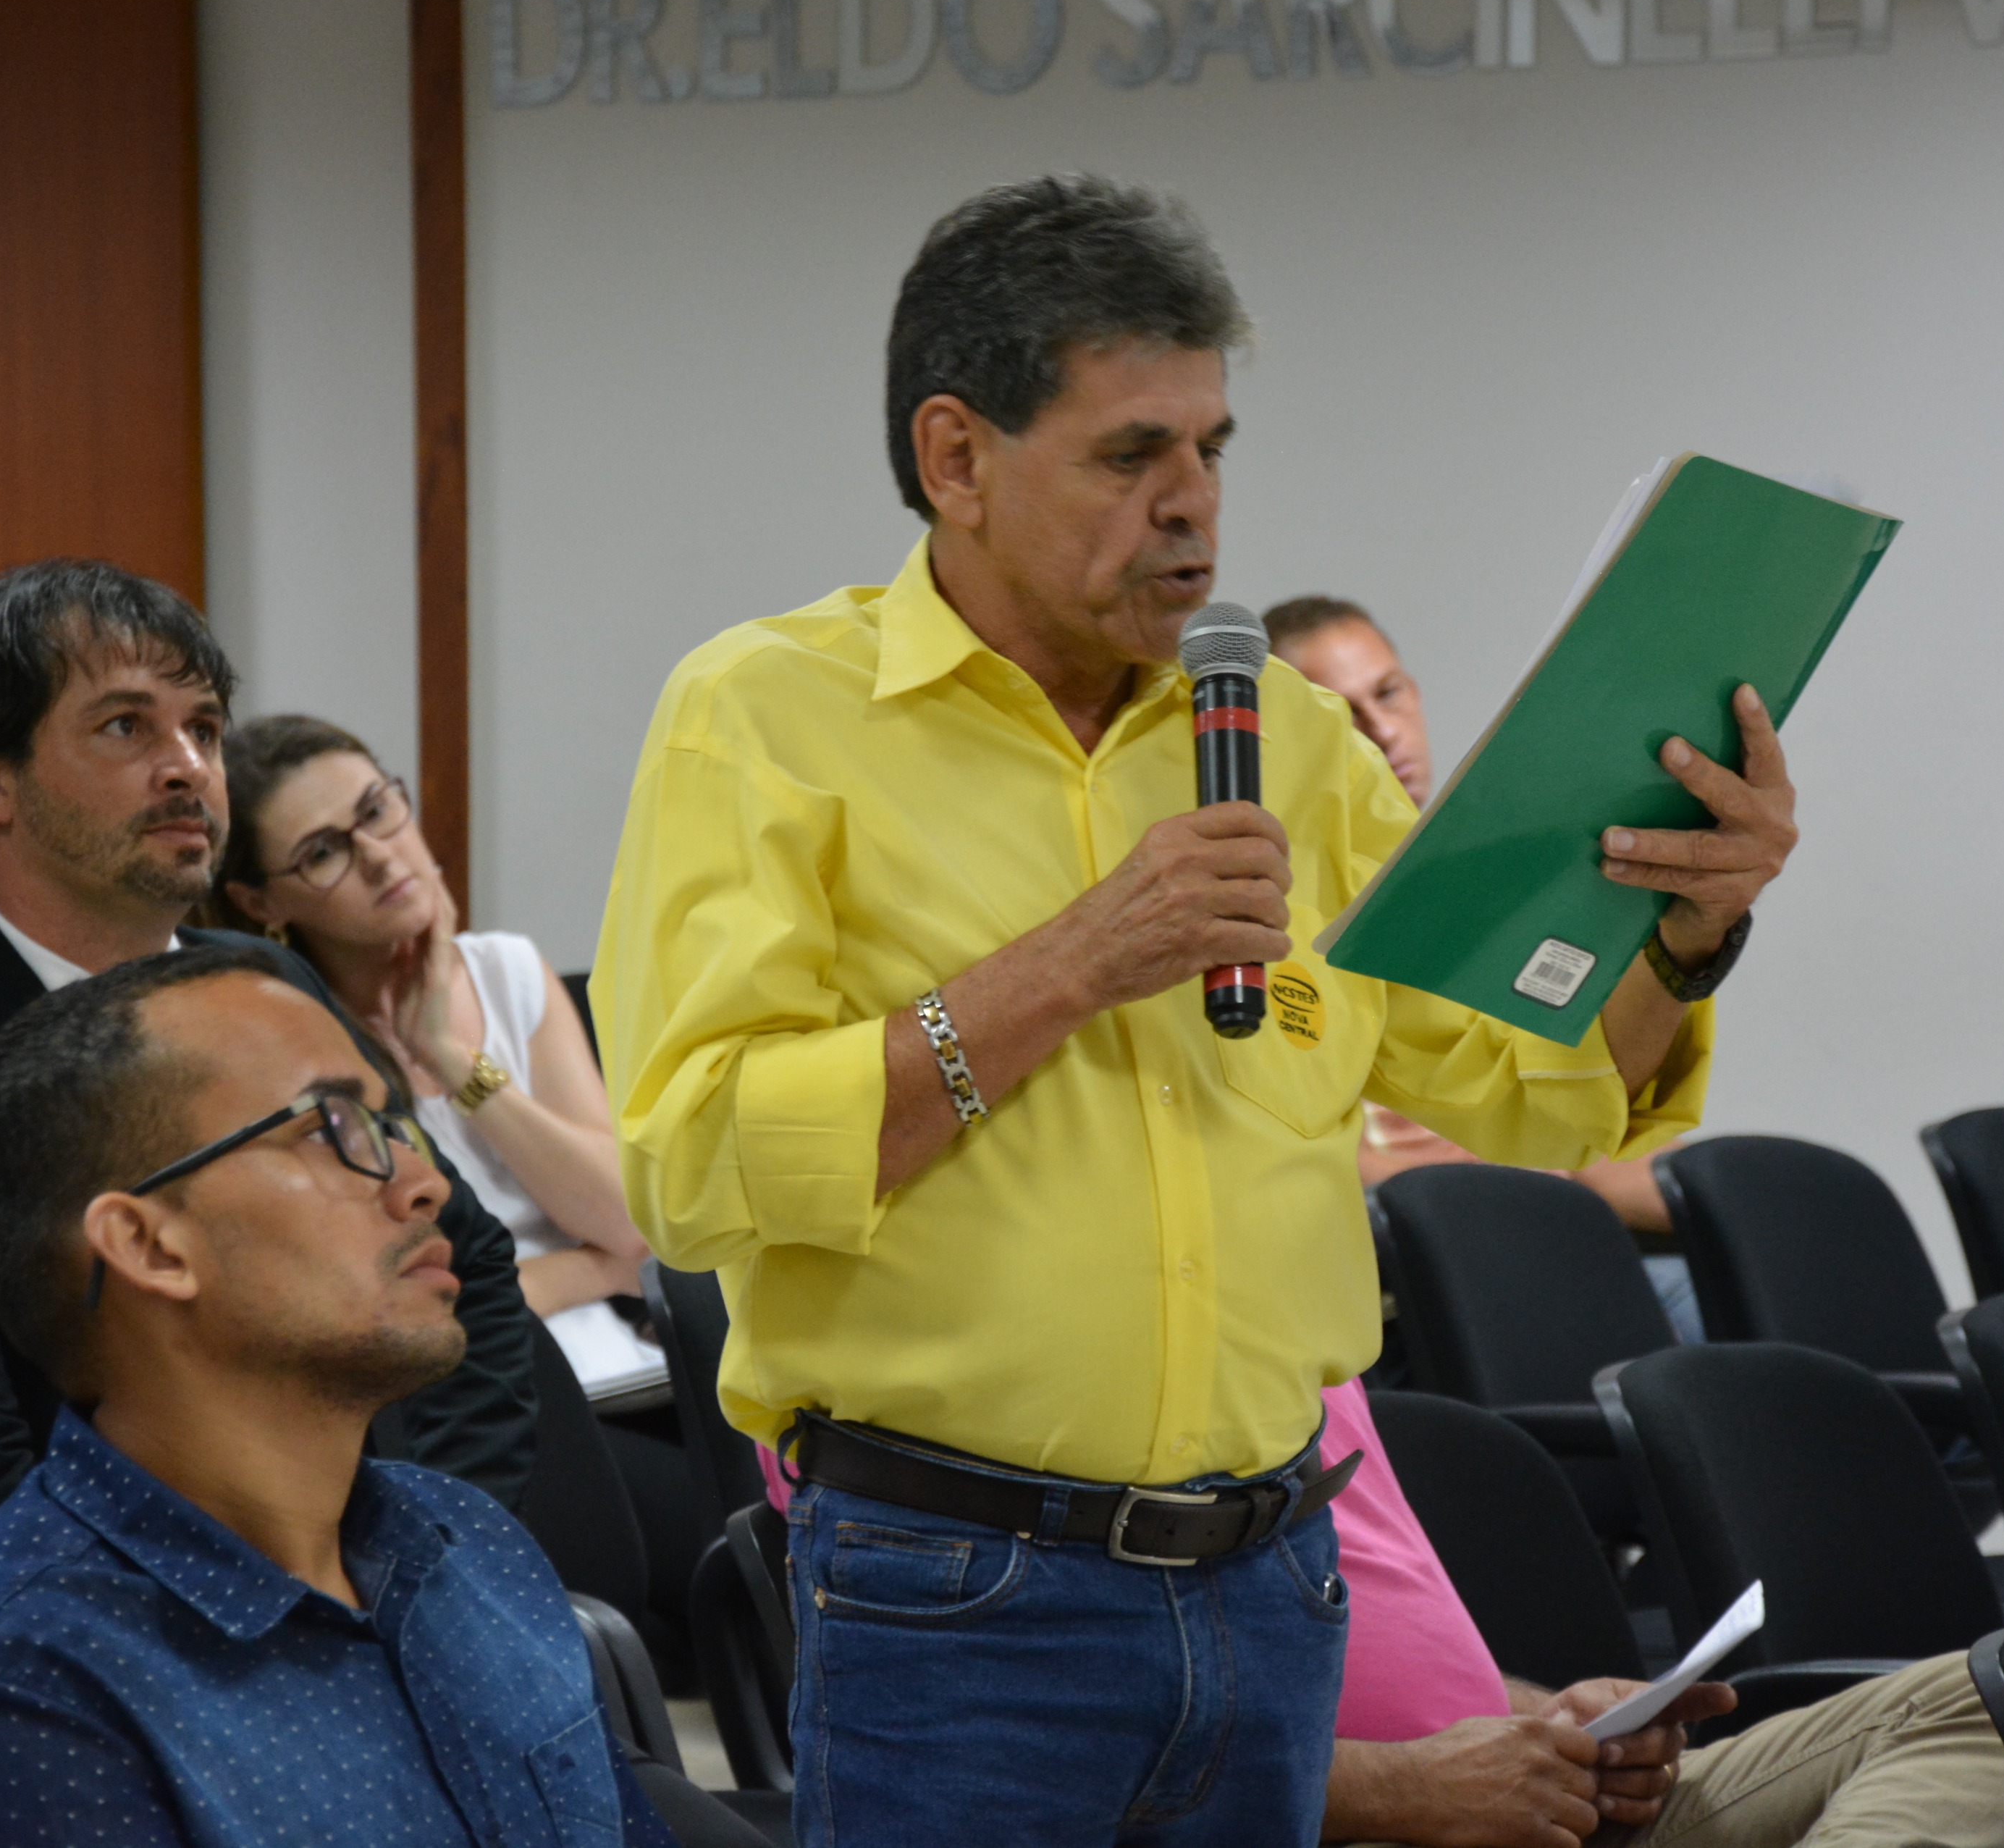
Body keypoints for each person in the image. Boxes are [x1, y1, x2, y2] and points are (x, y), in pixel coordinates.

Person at [595, 175, 1796, 1844]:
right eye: (1129, 455)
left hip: (1272, 1580)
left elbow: (1532, 1090)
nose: (1193, 509)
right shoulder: (764, 717)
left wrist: (1684, 933)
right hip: (960, 1595)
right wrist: (1068, 965)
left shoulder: (1288, 739)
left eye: (1212, 449)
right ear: (955, 457)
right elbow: (696, 1162)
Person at [0, 560, 539, 1674]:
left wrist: (430, 1574)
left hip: (367, 1596)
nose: (188, 768)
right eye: (126, 726)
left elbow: (470, 1268)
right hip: (42, 1676)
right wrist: (300, 1632)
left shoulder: (269, 986)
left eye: (203, 728)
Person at [0, 946, 691, 1848]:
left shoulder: (466, 1540)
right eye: (331, 1128)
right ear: (150, 1246)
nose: (422, 1182)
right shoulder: (3, 1700)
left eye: (394, 1125)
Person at [1314, 1377, 2004, 1848]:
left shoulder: (1314, 1353)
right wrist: (1406, 1786)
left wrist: (1546, 1720)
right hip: (1365, 1820)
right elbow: (1234, 1760)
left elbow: (1380, 1640)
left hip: (1520, 1796)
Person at [1266, 596, 1700, 1340]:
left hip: (1560, 1233)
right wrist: (1522, 1179)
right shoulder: (1291, 914)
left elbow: (1592, 1139)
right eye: (1342, 711)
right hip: (1430, 1282)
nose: (1381, 730)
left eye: (1388, 694)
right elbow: (1325, 1165)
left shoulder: (1501, 893)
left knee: (1775, 1282)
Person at [213, 713, 660, 1394]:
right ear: (260, 901)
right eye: (324, 853)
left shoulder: (506, 970)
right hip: (468, 1389)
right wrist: (593, 1270)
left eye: (376, 810)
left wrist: (449, 1059)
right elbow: (395, 1306)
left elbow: (630, 1220)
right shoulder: (289, 1050)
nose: (381, 857)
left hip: (630, 1369)